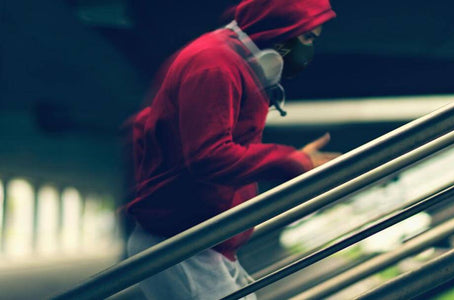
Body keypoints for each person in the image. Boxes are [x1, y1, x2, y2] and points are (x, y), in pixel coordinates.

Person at [125, 0, 338, 299]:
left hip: (202, 239)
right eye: (307, 37)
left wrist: (293, 161)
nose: (309, 50)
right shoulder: (214, 65)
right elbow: (209, 157)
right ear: (281, 28)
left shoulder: (233, 61)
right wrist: (290, 161)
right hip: (180, 244)